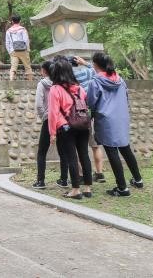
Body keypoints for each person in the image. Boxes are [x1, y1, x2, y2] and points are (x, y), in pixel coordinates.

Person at [86, 52, 144, 197]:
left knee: (112, 152)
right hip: (121, 118)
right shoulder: (120, 80)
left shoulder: (95, 82)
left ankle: (122, 188)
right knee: (126, 149)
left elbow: (91, 102)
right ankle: (138, 180)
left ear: (96, 65)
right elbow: (126, 97)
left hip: (106, 120)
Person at [48, 57, 92, 199]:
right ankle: (87, 188)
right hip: (83, 126)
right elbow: (85, 104)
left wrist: (52, 133)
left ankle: (75, 190)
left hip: (66, 127)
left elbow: (53, 113)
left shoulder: (55, 89)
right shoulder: (79, 88)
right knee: (84, 155)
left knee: (72, 158)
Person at [32, 60, 69, 189]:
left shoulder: (42, 84)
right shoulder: (60, 83)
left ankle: (41, 181)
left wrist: (44, 116)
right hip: (62, 119)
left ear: (44, 71)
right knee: (63, 151)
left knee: (42, 151)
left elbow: (38, 104)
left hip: (49, 119)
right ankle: (64, 179)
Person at [72, 56, 106, 183]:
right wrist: (84, 63)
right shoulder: (88, 72)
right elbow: (96, 70)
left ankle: (82, 174)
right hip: (92, 112)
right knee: (95, 146)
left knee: (80, 147)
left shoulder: (70, 75)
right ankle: (99, 173)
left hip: (80, 114)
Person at [6, 15, 33, 80]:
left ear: (12, 21)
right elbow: (26, 40)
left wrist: (9, 52)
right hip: (23, 50)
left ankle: (11, 81)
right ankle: (31, 82)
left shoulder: (8, 31)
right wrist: (28, 49)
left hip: (13, 51)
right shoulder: (22, 29)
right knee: (27, 67)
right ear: (20, 21)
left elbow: (7, 43)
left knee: (13, 67)